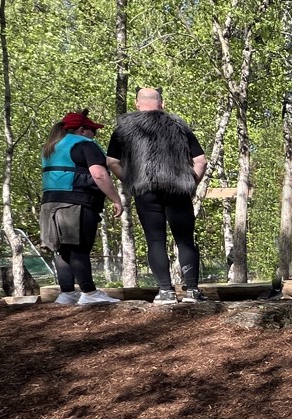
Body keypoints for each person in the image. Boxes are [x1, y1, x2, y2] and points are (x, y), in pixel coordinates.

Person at [106, 88, 207, 304]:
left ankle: (165, 292)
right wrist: (191, 184)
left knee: (155, 240)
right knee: (185, 240)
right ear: (162, 103)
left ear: (137, 104)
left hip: (146, 190)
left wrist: (132, 181)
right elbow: (201, 160)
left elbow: (112, 162)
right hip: (178, 189)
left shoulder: (124, 128)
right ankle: (192, 291)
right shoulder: (179, 125)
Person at [40, 110, 124, 305]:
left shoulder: (51, 147)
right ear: (81, 130)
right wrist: (115, 199)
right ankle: (89, 292)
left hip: (50, 203)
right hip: (76, 202)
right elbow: (99, 174)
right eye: (93, 130)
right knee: (79, 247)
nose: (95, 135)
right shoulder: (85, 144)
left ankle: (67, 293)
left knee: (62, 249)